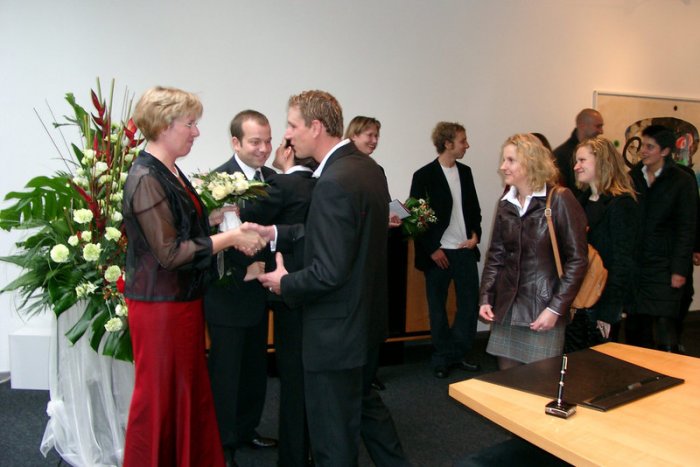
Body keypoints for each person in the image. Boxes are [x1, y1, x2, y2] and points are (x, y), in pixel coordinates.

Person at [258, 90, 408, 466]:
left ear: (315, 127)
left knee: (333, 442)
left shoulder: (333, 182)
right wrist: (275, 233)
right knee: (366, 409)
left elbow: (329, 271)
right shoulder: (366, 169)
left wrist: (284, 283)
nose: (287, 135)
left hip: (336, 334)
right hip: (364, 322)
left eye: (292, 125)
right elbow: (339, 238)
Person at [122, 86, 266, 467]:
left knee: (185, 393)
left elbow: (179, 227)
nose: (196, 132)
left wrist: (214, 218)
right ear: (164, 126)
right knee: (160, 398)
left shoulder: (167, 170)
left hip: (180, 302)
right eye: (190, 124)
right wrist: (230, 237)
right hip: (160, 306)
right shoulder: (145, 177)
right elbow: (170, 253)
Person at [204, 110, 278, 466]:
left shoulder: (275, 180)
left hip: (260, 293)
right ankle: (223, 445)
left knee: (253, 369)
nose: (263, 148)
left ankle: (248, 429)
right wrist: (242, 270)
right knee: (226, 375)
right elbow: (205, 242)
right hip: (227, 296)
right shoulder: (214, 183)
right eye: (255, 142)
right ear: (236, 143)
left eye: (268, 141)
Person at [479, 133, 588, 370]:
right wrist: (486, 297)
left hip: (543, 309)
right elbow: (496, 256)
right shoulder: (505, 203)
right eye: (504, 160)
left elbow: (577, 260)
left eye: (510, 160)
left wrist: (555, 308)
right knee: (507, 382)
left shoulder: (559, 199)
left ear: (530, 162)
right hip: (508, 309)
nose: (503, 167)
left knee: (540, 383)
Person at [245, 139, 317, 467]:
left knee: (292, 379)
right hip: (315, 289)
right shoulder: (322, 184)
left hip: (285, 289)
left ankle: (293, 457)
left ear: (287, 152)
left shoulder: (280, 184)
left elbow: (248, 220)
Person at [409, 122, 482, 379]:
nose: (467, 145)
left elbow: (474, 210)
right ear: (447, 143)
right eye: (462, 141)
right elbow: (415, 218)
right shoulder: (424, 175)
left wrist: (475, 235)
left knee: (469, 305)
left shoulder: (466, 172)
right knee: (437, 308)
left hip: (464, 250)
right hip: (438, 253)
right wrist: (432, 249)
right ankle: (442, 357)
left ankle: (458, 353)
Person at [627, 124, 698, 352]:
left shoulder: (681, 181)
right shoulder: (632, 178)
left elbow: (687, 228)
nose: (643, 151)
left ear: (665, 151)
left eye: (650, 147)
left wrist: (679, 270)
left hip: (665, 267)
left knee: (665, 325)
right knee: (637, 328)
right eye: (643, 145)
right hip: (637, 266)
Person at [565, 136, 639, 351]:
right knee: (574, 360)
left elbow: (623, 262)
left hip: (602, 301)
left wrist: (609, 312)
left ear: (602, 161)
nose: (576, 167)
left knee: (598, 363)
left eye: (582, 160)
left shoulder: (621, 204)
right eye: (576, 161)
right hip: (579, 299)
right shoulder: (580, 201)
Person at [553, 108, 604, 197]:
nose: (601, 131)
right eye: (598, 126)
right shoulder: (561, 155)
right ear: (582, 125)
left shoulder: (601, 151)